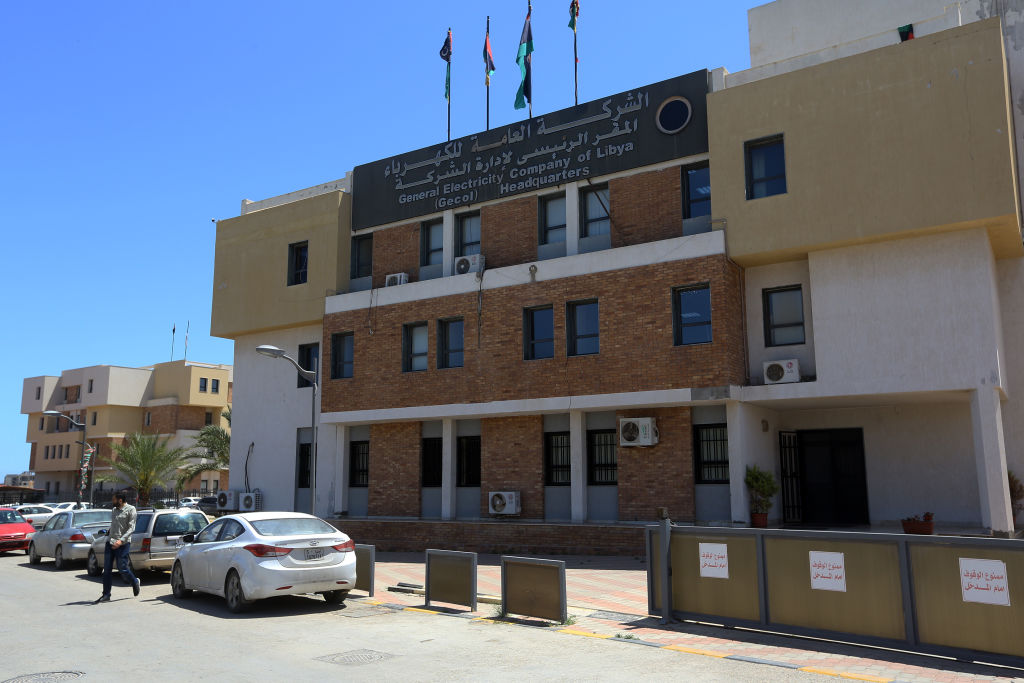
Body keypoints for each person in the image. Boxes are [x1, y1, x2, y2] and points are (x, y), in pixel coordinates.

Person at [94, 492, 140, 603]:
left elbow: (131, 528)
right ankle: (106, 594)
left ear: (120, 500)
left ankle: (134, 582)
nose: (112, 502)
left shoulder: (131, 509)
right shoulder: (114, 510)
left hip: (123, 544)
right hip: (110, 543)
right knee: (107, 570)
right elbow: (115, 524)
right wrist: (109, 533)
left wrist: (121, 540)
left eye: (114, 500)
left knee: (122, 568)